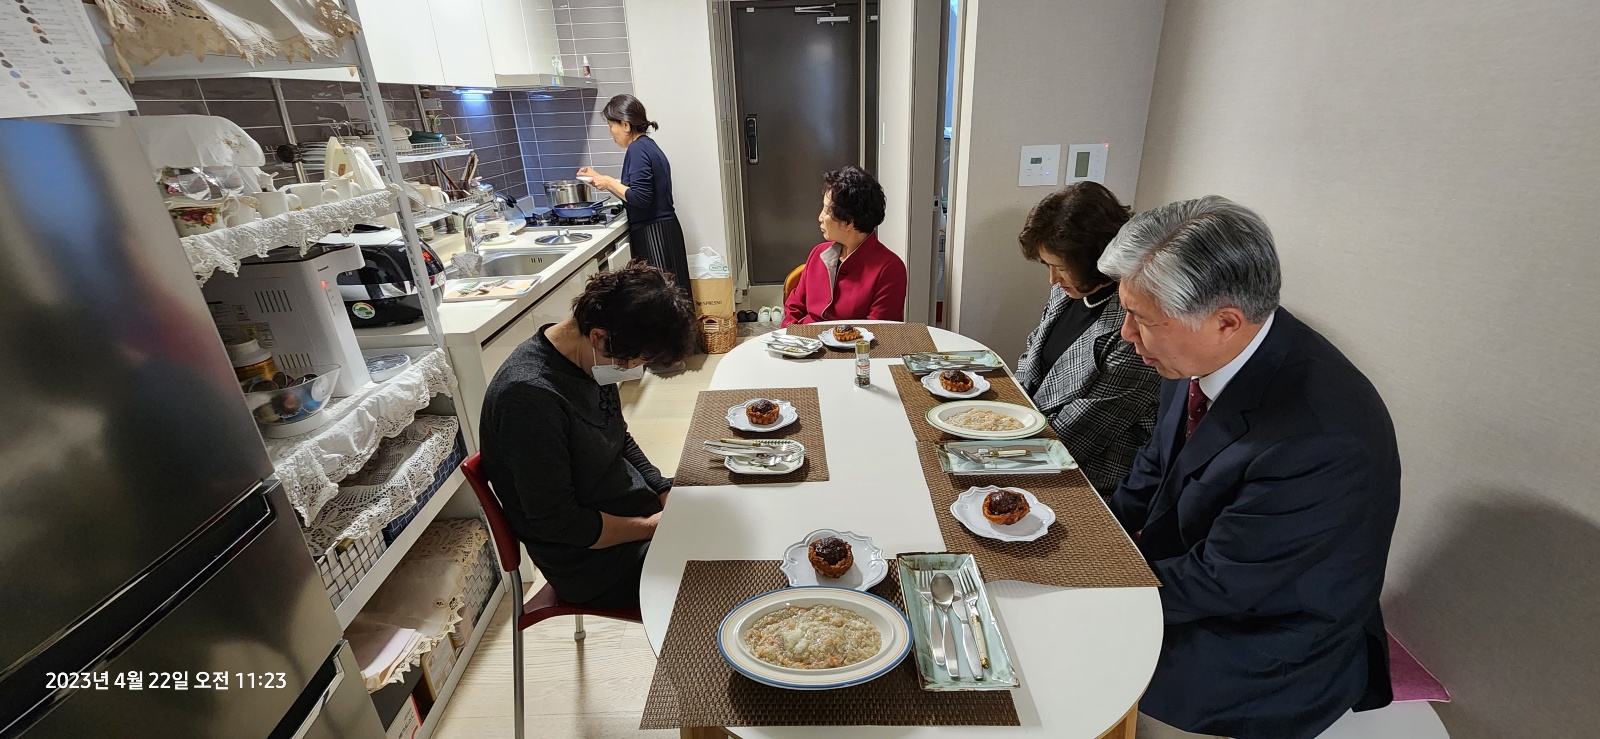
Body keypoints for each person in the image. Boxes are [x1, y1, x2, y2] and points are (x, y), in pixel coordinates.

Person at [1098, 196, 1399, 739]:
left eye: (1140, 318)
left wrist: (1093, 593)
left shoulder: (1319, 437)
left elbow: (1221, 581)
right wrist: (1086, 548)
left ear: (1225, 322)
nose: (1126, 333)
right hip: (1204, 576)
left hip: (1269, 633)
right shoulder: (1198, 352)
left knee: (1086, 670)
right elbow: (1152, 472)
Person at [478, 263, 698, 610]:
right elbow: (560, 523)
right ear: (599, 336)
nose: (635, 369)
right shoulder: (528, 398)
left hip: (627, 508)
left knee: (727, 507)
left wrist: (661, 488)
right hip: (591, 562)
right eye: (636, 360)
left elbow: (618, 436)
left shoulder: (587, 359)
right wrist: (649, 527)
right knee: (724, 570)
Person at [1013, 182, 1160, 494]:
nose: (1052, 279)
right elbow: (1032, 352)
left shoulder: (1134, 325)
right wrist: (1009, 414)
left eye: (1060, 268)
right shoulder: (1067, 291)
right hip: (1031, 434)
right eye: (1048, 266)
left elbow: (1085, 430)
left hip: (1088, 472)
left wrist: (999, 446)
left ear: (1095, 259)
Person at [579, 94, 691, 373]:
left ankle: (668, 360)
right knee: (668, 299)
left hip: (654, 231)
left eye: (612, 126)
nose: (611, 132)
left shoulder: (637, 150)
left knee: (656, 301)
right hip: (664, 228)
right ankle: (674, 356)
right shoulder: (647, 146)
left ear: (626, 125)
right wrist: (604, 180)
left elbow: (640, 197)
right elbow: (639, 190)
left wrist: (607, 182)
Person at [781, 165, 906, 326]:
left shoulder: (890, 269)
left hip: (852, 342)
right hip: (804, 341)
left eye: (827, 211)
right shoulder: (818, 253)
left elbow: (878, 332)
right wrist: (788, 336)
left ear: (848, 222)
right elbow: (795, 306)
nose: (820, 217)